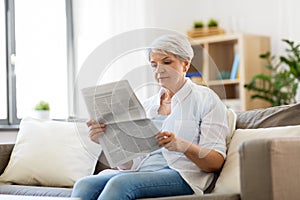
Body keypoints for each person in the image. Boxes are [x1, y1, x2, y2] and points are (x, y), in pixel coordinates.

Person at [71, 34, 229, 200]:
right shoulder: (148, 105)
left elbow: (215, 162)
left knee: (120, 184)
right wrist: (108, 140)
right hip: (142, 172)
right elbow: (131, 164)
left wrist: (182, 145)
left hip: (182, 175)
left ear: (186, 64)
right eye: (154, 65)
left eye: (167, 62)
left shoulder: (206, 99)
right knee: (85, 184)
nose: (159, 70)